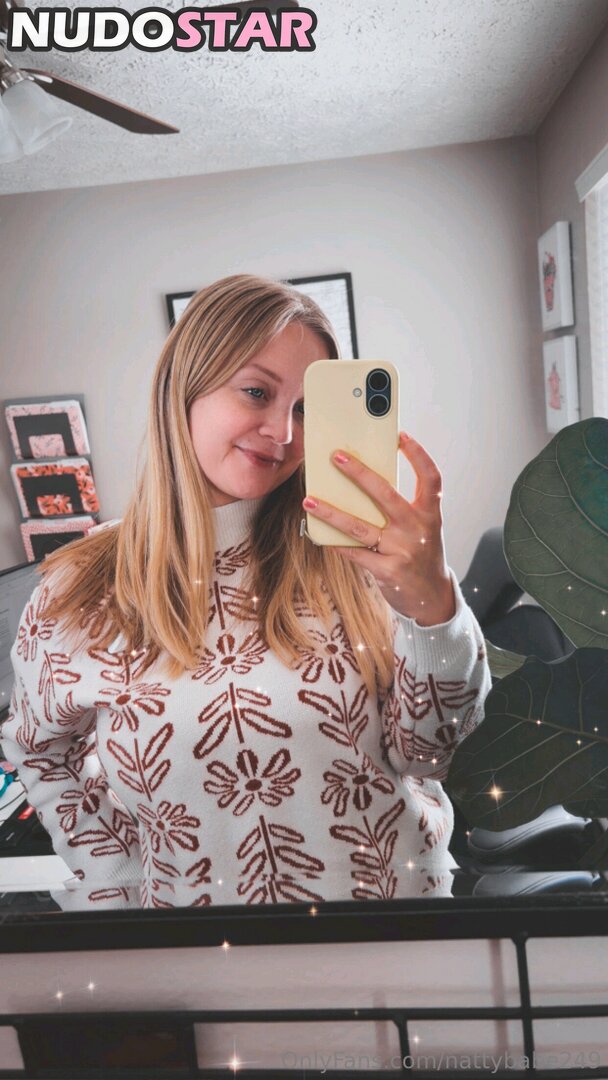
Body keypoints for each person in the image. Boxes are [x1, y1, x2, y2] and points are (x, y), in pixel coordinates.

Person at [1, 274, 491, 909]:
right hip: (192, 945)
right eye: (257, 392)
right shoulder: (82, 585)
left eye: (306, 409)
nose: (283, 432)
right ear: (184, 388)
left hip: (394, 927)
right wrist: (115, 881)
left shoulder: (363, 558)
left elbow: (429, 756)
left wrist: (433, 610)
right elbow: (41, 752)